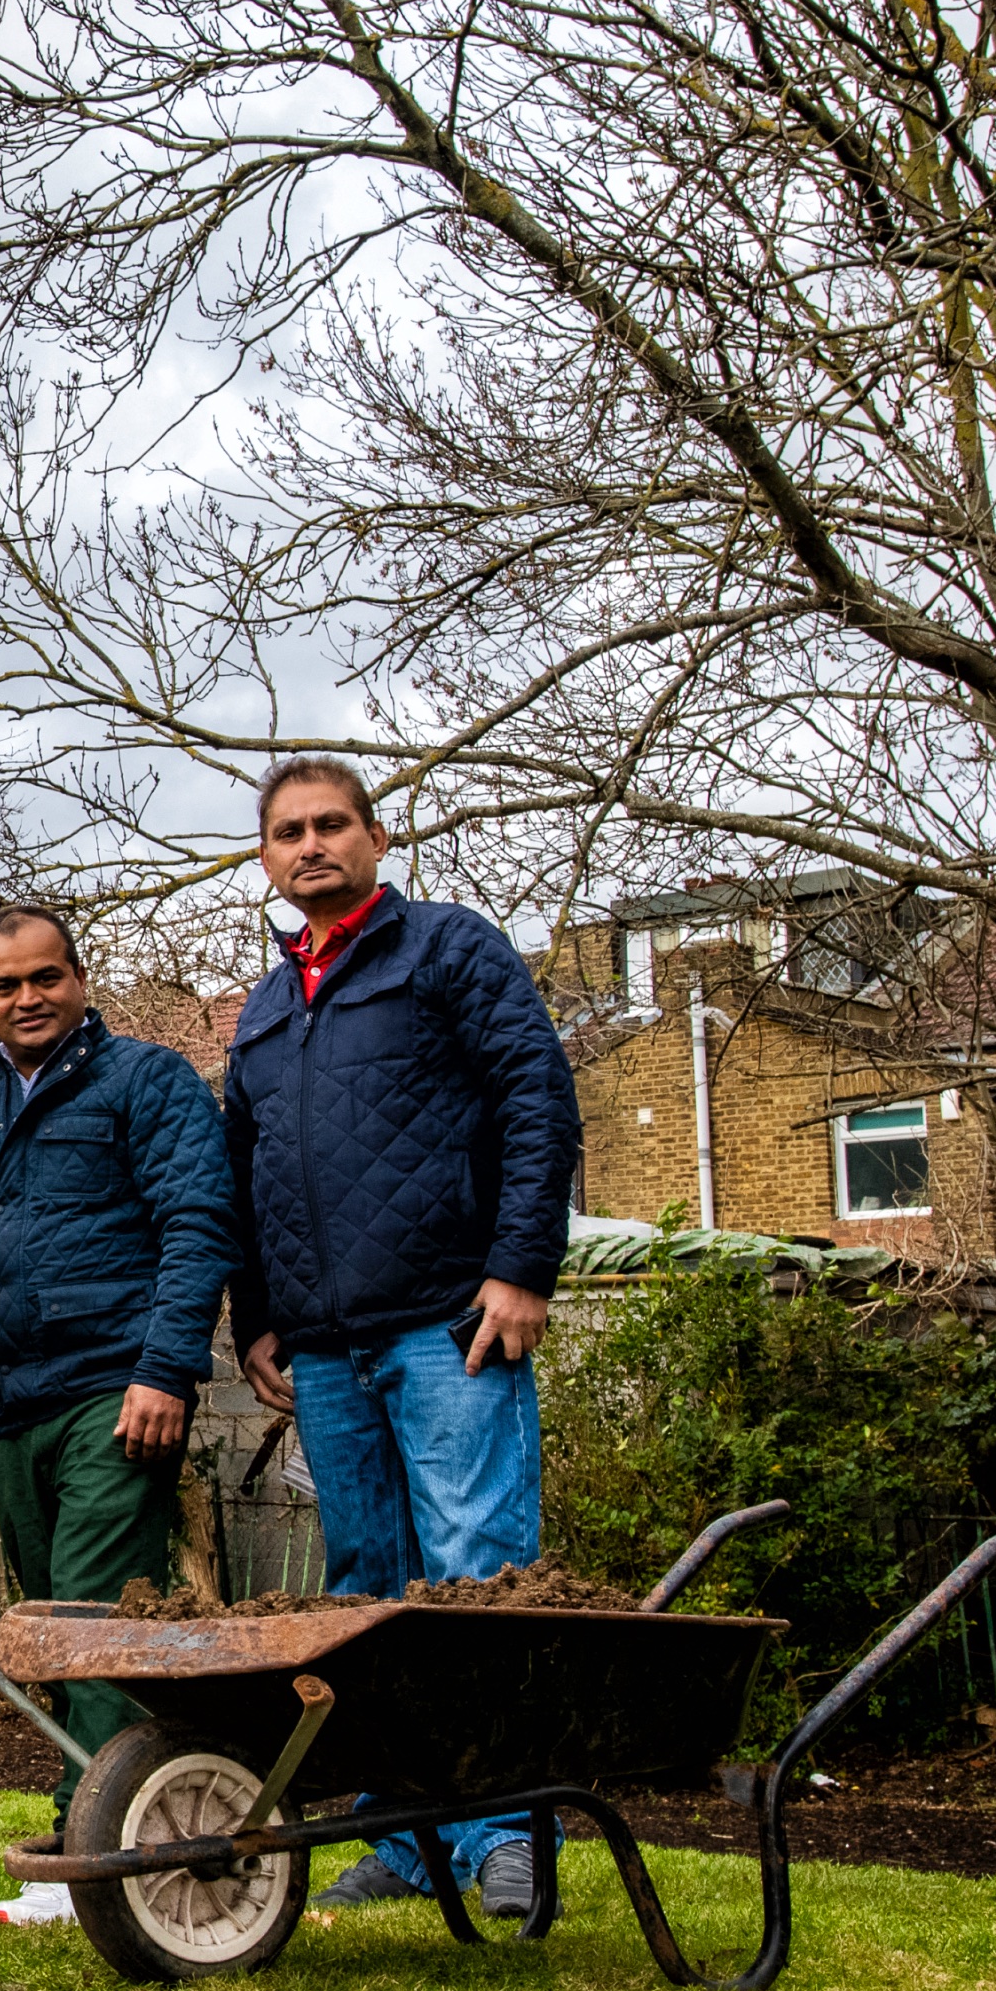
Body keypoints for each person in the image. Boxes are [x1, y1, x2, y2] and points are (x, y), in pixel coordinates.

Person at [221, 757, 580, 1921]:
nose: (311, 845)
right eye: (288, 832)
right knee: (366, 1591)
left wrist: (522, 1268)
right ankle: (407, 1840)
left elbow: (537, 1097)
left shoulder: (448, 951)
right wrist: (258, 1319)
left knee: (477, 1577)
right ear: (266, 860)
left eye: (332, 825)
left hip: (448, 1325)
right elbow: (248, 1173)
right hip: (327, 1350)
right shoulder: (268, 1012)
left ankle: (505, 1839)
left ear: (374, 838)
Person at [0, 905, 233, 1917]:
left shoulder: (147, 1082)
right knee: (55, 1626)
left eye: (45, 977)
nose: (28, 999)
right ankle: (116, 1814)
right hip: (10, 1411)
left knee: (97, 1614)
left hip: (113, 1394)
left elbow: (197, 1222)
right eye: (5, 986)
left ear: (80, 977)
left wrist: (165, 1371)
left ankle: (99, 1848)